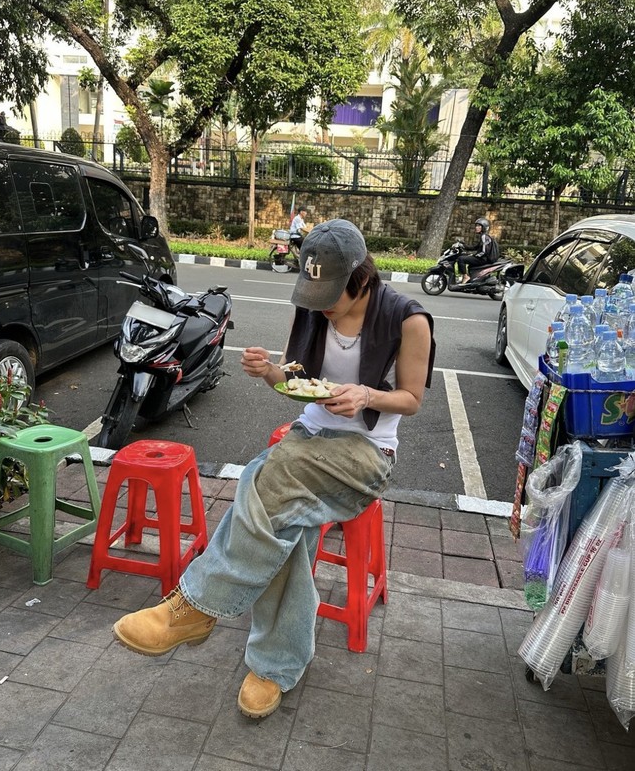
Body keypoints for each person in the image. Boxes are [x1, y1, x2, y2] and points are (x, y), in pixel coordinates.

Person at [112, 218, 436, 719]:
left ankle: (195, 605)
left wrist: (368, 395)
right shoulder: (311, 310)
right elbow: (294, 381)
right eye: (314, 289)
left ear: (363, 278)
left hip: (369, 454)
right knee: (286, 522)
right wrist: (269, 373)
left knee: (267, 476)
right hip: (309, 440)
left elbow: (411, 399)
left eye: (332, 293)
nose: (322, 303)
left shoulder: (407, 319)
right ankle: (274, 666)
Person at [456, 217, 496, 283]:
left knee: (461, 259)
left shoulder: (484, 237)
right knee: (468, 262)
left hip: (483, 259)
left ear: (484, 227)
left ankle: (465, 277)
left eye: (479, 226)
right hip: (483, 258)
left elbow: (484, 251)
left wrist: (475, 256)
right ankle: (472, 279)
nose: (476, 227)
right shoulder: (484, 236)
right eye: (476, 226)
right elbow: (475, 247)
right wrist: (464, 245)